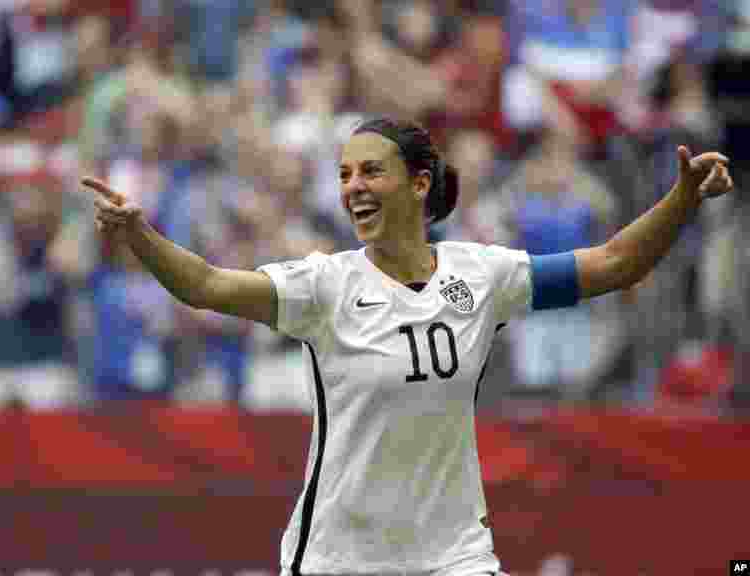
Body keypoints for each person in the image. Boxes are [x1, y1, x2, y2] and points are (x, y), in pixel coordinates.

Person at [83, 117, 734, 575]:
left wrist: (681, 198)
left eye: (370, 171)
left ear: (419, 184)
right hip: (339, 560)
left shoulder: (484, 274)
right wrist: (141, 234)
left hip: (453, 556)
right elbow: (203, 285)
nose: (352, 187)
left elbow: (616, 263)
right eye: (343, 175)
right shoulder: (324, 287)